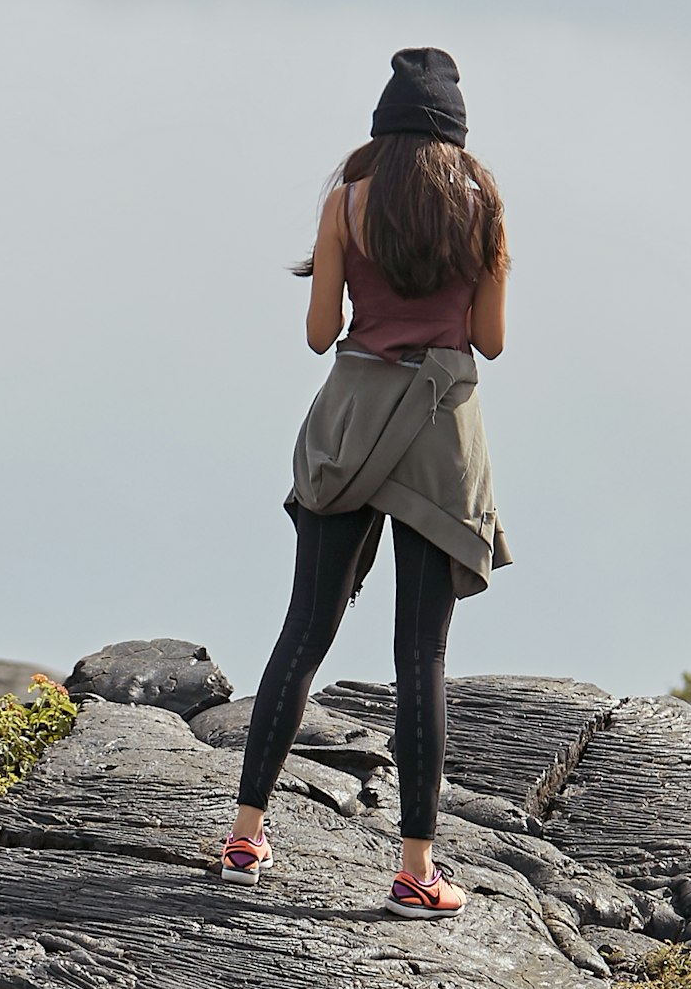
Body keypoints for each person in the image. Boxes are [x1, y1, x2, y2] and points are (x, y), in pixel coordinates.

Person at [218, 47, 513, 917]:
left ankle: (244, 837)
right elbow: (489, 341)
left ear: (381, 126)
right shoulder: (485, 204)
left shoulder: (348, 199)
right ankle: (415, 872)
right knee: (419, 655)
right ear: (456, 133)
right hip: (438, 436)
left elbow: (320, 333)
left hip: (350, 427)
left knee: (303, 631)